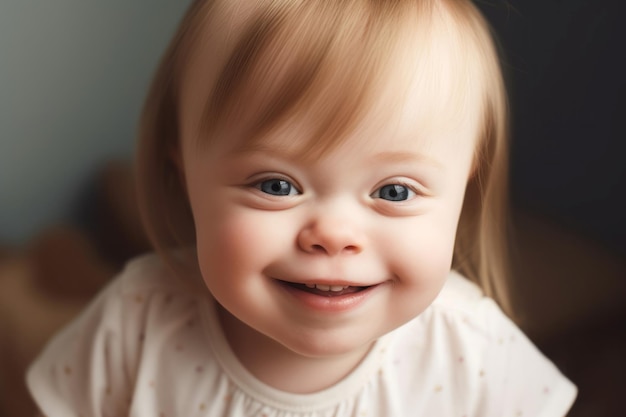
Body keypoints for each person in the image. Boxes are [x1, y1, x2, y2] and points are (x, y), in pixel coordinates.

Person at [27, 0, 577, 416]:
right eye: (275, 184)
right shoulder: (137, 322)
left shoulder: (474, 353)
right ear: (184, 173)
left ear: (464, 187)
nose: (334, 235)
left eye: (394, 192)